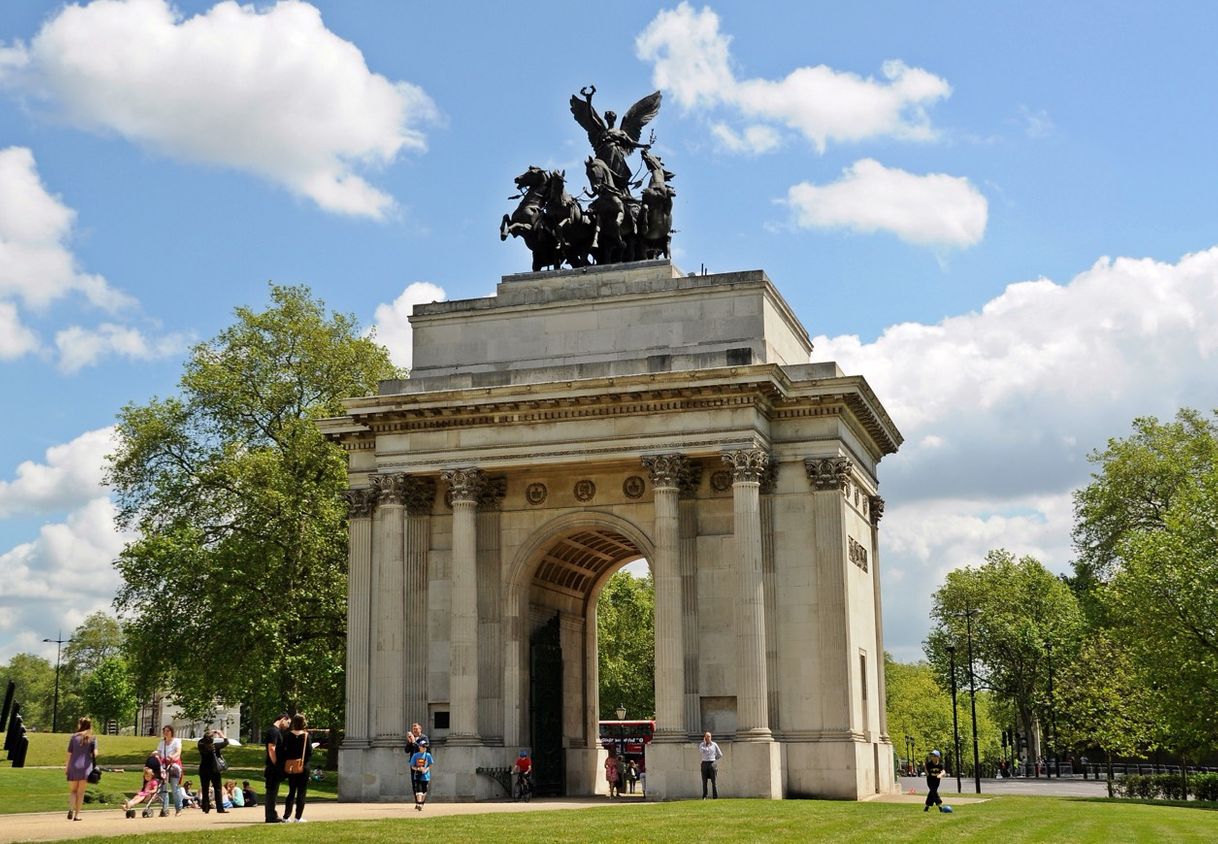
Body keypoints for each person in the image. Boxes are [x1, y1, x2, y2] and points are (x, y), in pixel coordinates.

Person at [281, 713, 313, 823]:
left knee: (291, 792)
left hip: (291, 766)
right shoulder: (306, 736)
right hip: (303, 766)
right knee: (301, 792)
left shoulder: (287, 735)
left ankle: (286, 816)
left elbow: (284, 751)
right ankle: (298, 817)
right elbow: (309, 752)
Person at [65, 716, 96, 822]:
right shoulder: (92, 738)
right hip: (86, 767)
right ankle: (77, 815)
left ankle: (70, 808)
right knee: (81, 792)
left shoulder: (73, 737)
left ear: (80, 724)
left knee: (73, 791)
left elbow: (69, 753)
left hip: (73, 766)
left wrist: (67, 767)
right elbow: (94, 754)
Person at [263, 712, 290, 823]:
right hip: (273, 767)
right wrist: (276, 764)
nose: (288, 725)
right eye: (287, 722)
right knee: (271, 792)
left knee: (273, 792)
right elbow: (271, 749)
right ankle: (270, 815)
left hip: (274, 766)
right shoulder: (274, 731)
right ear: (283, 719)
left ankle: (272, 814)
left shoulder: (275, 731)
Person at [197, 729, 228, 814]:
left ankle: (206, 808)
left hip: (203, 769)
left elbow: (202, 740)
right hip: (214, 769)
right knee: (217, 789)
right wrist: (221, 734)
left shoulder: (201, 745)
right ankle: (220, 808)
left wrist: (209, 732)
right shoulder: (215, 746)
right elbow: (226, 742)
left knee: (205, 788)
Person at [156, 724, 183, 817]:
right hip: (164, 767)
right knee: (163, 788)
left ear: (172, 732)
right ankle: (165, 809)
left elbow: (178, 752)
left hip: (174, 767)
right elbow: (159, 753)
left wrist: (172, 757)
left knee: (175, 788)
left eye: (168, 731)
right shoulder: (161, 743)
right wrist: (155, 755)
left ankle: (178, 808)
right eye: (164, 731)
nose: (166, 733)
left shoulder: (176, 741)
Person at [409, 738, 434, 811]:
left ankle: (421, 804)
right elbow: (412, 766)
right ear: (419, 747)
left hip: (426, 776)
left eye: (425, 747)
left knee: (424, 790)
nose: (424, 748)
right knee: (418, 790)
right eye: (423, 746)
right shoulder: (415, 755)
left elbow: (431, 764)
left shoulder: (428, 755)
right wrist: (418, 769)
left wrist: (426, 769)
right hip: (418, 775)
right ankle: (419, 804)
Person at [699, 732, 722, 799]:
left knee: (714, 781)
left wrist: (714, 759)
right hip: (704, 763)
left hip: (712, 763)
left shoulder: (714, 744)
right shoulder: (702, 745)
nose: (707, 738)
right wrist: (704, 744)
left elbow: (720, 754)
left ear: (711, 737)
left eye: (709, 737)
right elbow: (701, 751)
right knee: (704, 781)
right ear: (704, 737)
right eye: (706, 737)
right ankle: (704, 796)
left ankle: (715, 796)